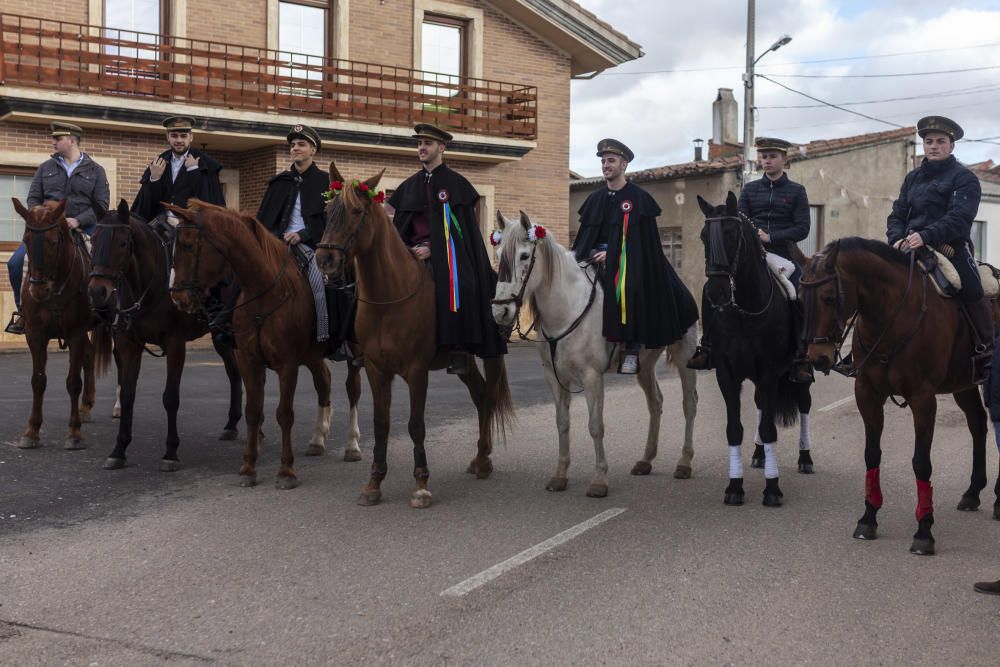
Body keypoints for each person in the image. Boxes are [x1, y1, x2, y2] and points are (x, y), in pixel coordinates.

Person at [687, 136, 814, 383]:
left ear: (784, 159)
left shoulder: (797, 191)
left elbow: (802, 228)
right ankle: (708, 346)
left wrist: (772, 236)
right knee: (710, 287)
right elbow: (741, 220)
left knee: (799, 288)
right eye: (764, 157)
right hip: (753, 254)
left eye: (772, 156)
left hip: (784, 254)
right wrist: (755, 237)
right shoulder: (750, 189)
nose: (767, 161)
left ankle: (800, 355)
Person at [384, 123, 507, 374]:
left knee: (465, 282)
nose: (421, 148)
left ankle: (459, 348)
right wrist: (405, 249)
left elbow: (463, 234)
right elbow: (397, 226)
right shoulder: (408, 186)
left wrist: (433, 249)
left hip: (447, 254)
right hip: (409, 253)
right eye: (419, 143)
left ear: (441, 148)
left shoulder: (457, 184)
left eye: (427, 143)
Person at [572, 138, 698, 374]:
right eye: (603, 161)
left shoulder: (639, 199)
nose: (606, 165)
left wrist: (610, 255)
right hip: (594, 259)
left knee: (628, 286)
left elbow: (642, 244)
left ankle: (631, 347)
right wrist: (590, 254)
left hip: (631, 261)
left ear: (624, 165)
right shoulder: (594, 199)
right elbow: (584, 239)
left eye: (611, 160)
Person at [887, 116, 991, 384]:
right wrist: (896, 238)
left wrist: (926, 235)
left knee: (973, 289)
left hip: (950, 247)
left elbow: (959, 218)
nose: (933, 146)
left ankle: (985, 350)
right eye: (928, 141)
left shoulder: (964, 178)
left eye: (940, 142)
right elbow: (897, 214)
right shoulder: (912, 178)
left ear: (951, 146)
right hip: (909, 246)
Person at [256, 125, 352, 360]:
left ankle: (328, 337)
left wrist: (303, 234)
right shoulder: (279, 182)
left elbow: (333, 222)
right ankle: (233, 328)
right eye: (293, 145)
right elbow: (263, 220)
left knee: (321, 280)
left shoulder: (326, 184)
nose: (295, 148)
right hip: (275, 244)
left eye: (301, 144)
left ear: (313, 150)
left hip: (310, 246)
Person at [5, 122, 110, 334]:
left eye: (57, 138)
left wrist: (78, 220)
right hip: (47, 228)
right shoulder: (45, 168)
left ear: (71, 140)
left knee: (101, 266)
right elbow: (34, 197)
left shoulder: (96, 170)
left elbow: (102, 204)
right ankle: (23, 313)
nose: (53, 142)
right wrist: (40, 217)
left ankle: (100, 311)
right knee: (15, 264)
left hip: (81, 227)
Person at [131, 116, 225, 222]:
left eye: (183, 136)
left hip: (190, 227)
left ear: (191, 137)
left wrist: (193, 170)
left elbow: (206, 201)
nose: (179, 140)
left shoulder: (206, 164)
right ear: (168, 137)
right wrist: (154, 179)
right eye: (174, 136)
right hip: (160, 227)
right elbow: (150, 203)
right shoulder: (158, 162)